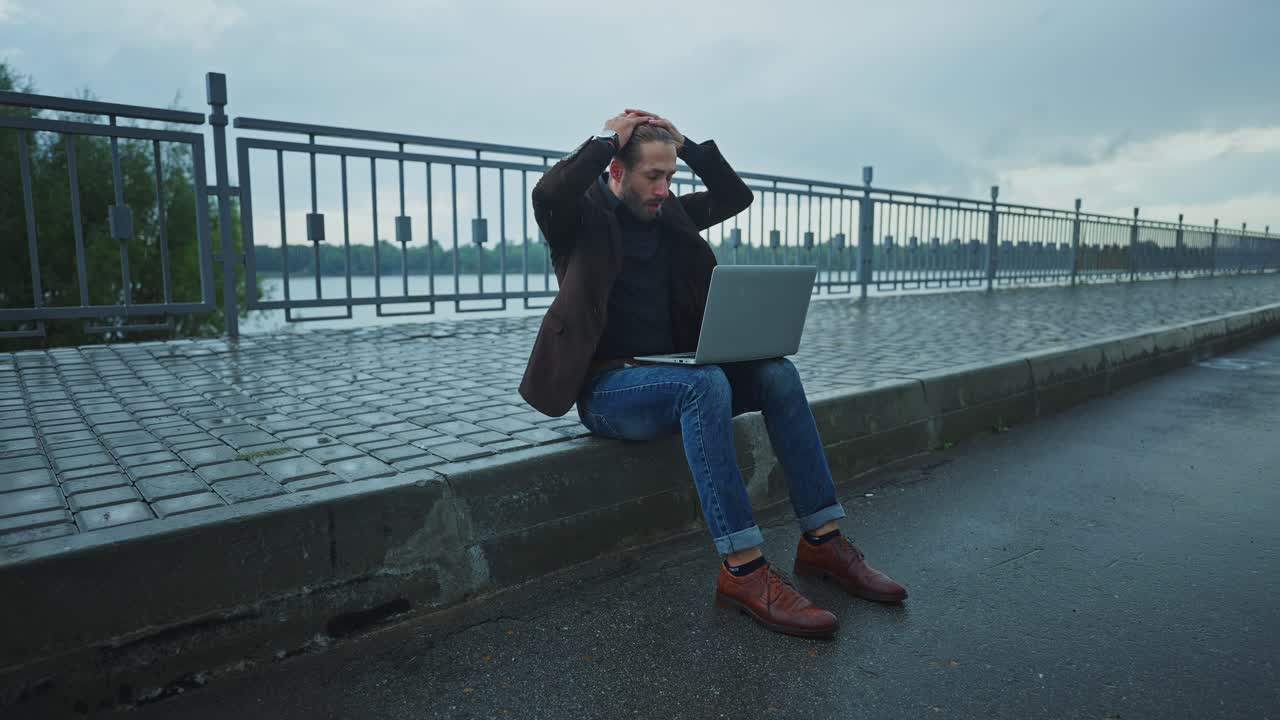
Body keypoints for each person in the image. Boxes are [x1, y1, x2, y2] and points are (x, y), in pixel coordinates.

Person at [518, 110, 907, 638]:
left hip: (676, 375)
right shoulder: (579, 218)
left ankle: (823, 542)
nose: (663, 189)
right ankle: (744, 570)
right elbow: (548, 192)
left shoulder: (670, 215)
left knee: (778, 374)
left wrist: (689, 147)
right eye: (652, 176)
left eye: (670, 176)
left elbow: (735, 196)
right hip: (610, 389)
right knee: (706, 385)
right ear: (616, 170)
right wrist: (608, 137)